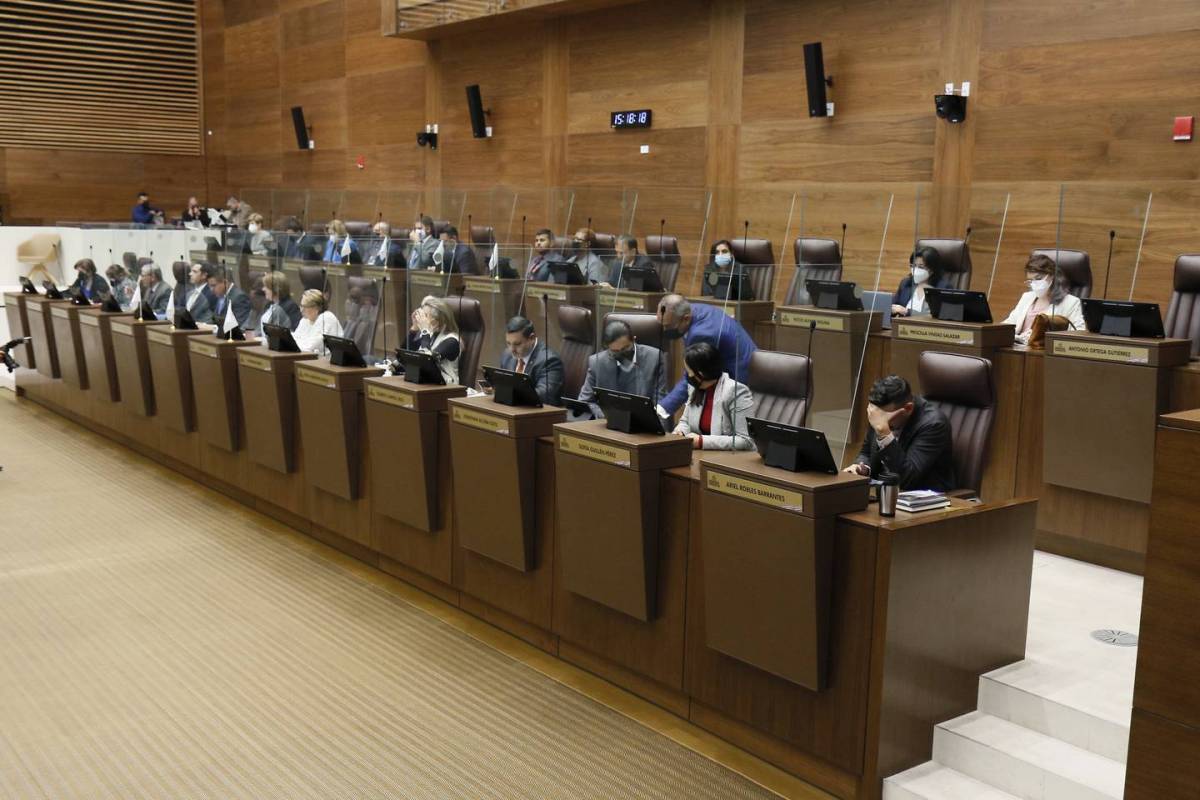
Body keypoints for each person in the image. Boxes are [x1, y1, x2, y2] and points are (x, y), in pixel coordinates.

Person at [844, 374, 956, 492]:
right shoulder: (879, 410)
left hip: (924, 499)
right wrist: (862, 468)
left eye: (884, 417)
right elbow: (866, 452)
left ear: (908, 409)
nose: (877, 421)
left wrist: (884, 433)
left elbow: (906, 479)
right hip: (884, 493)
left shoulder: (934, 424)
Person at [656, 294, 757, 416]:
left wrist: (663, 408)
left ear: (686, 319)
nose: (664, 329)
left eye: (668, 326)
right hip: (737, 362)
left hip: (740, 376)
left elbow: (693, 374)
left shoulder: (702, 334)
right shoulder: (693, 309)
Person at [671, 342, 754, 451]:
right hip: (701, 455)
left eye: (689, 372)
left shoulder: (735, 391)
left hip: (728, 460)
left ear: (701, 374)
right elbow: (685, 422)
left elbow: (745, 441)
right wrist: (680, 432)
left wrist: (701, 441)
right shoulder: (694, 388)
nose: (688, 375)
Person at [577, 319, 667, 418]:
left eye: (625, 348)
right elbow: (585, 401)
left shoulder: (654, 358)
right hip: (608, 423)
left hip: (643, 423)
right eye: (615, 351)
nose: (622, 354)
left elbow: (661, 401)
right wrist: (607, 415)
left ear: (633, 339)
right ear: (607, 347)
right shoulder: (597, 362)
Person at [1002, 253, 1086, 345]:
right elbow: (1009, 323)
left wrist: (1044, 335)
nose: (1034, 284)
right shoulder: (1026, 297)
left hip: (1042, 350)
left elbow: (1079, 333)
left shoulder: (1071, 302)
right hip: (1017, 347)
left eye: (1038, 279)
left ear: (1051, 276)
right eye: (1030, 281)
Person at [499, 315, 564, 406]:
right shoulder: (507, 355)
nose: (511, 349)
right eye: (508, 343)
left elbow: (543, 395)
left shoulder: (550, 360)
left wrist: (511, 395)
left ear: (532, 338)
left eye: (517, 344)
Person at [405, 295, 462, 385]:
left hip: (446, 389)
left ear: (437, 321)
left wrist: (425, 331)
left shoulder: (452, 341)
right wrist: (414, 328)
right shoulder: (430, 335)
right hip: (425, 384)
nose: (421, 319)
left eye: (425, 316)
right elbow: (406, 354)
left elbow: (426, 361)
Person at [892, 246, 952, 318]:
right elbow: (893, 306)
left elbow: (939, 315)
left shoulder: (943, 288)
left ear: (932, 269)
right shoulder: (906, 283)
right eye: (913, 266)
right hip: (901, 326)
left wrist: (907, 312)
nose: (916, 269)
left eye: (921, 267)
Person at [293, 289, 343, 356]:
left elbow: (310, 347)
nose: (301, 310)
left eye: (305, 307)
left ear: (317, 308)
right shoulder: (304, 320)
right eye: (301, 306)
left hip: (327, 363)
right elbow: (294, 340)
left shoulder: (327, 318)